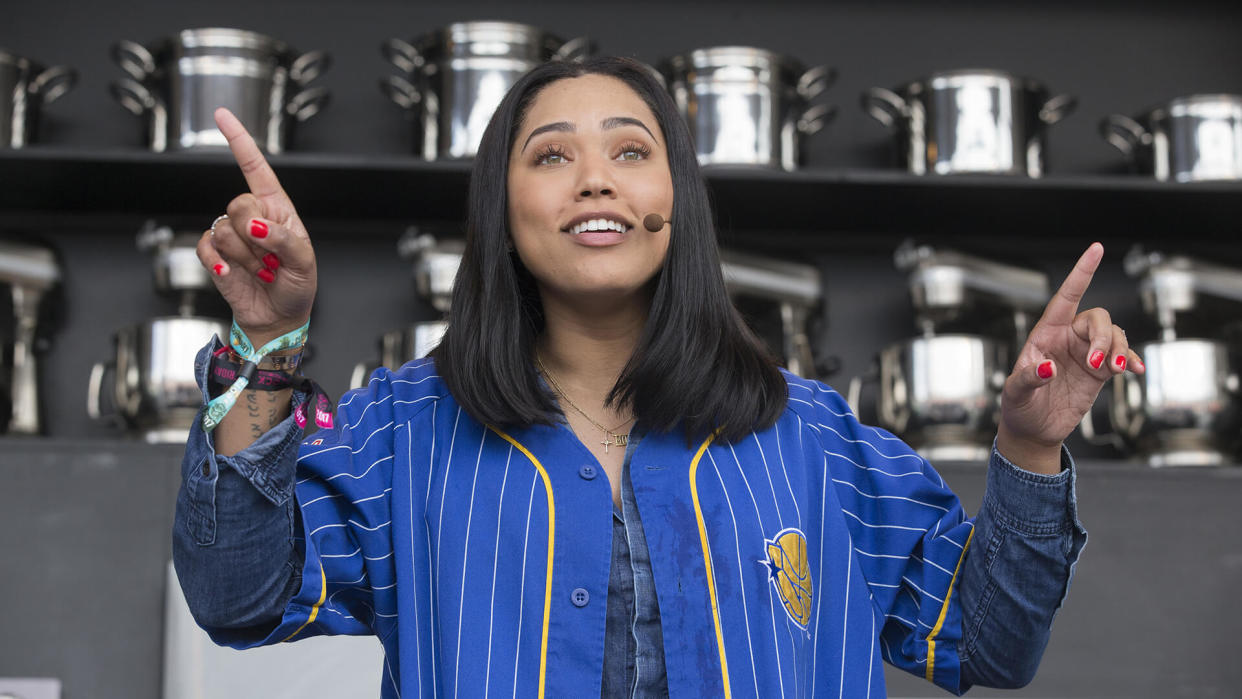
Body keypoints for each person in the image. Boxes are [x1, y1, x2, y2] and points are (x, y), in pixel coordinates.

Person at [175, 56, 1141, 698]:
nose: (596, 179)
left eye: (631, 152)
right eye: (552, 156)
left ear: (675, 201)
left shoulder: (810, 437)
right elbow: (237, 596)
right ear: (501, 208)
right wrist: (268, 342)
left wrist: (1030, 443)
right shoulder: (406, 428)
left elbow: (990, 641)